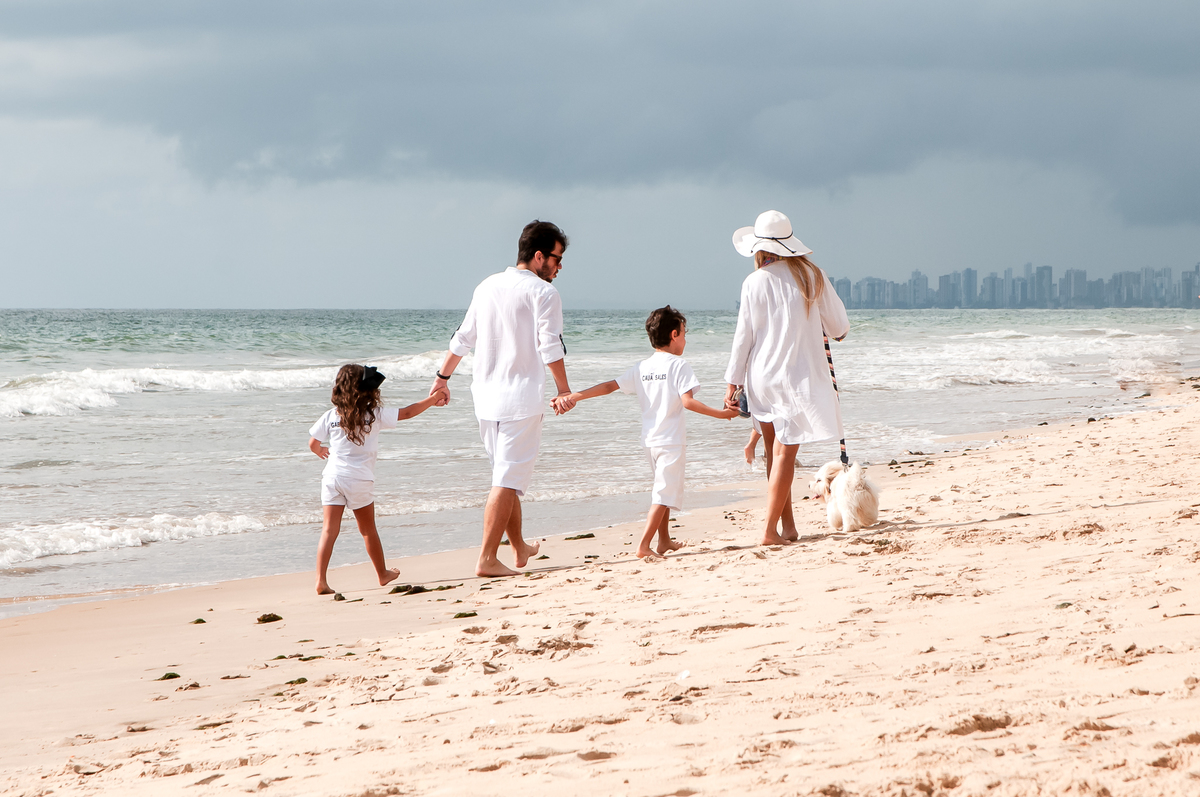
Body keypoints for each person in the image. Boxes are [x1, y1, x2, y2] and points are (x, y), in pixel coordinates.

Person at [431, 220, 574, 577]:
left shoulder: (487, 285)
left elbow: (462, 338)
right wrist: (563, 389)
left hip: (485, 399)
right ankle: (487, 559)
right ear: (539, 256)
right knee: (507, 480)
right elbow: (550, 346)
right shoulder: (544, 293)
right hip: (521, 400)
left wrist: (442, 378)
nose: (559, 267)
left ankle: (520, 547)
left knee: (505, 474)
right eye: (557, 259)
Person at [555, 306, 738, 559]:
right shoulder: (679, 365)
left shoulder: (642, 367)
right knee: (663, 494)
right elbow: (687, 402)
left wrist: (576, 396)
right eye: (684, 333)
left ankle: (664, 541)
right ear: (674, 335)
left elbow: (610, 386)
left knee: (661, 490)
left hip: (649, 441)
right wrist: (722, 414)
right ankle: (643, 545)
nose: (685, 338)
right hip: (671, 440)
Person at [723, 210, 850, 546]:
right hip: (794, 379)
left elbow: (743, 337)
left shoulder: (753, 281)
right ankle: (768, 532)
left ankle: (788, 528)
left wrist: (732, 382)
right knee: (784, 455)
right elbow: (839, 327)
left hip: (760, 377)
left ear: (761, 248)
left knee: (773, 452)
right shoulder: (813, 276)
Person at [308, 364, 447, 595]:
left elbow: (313, 444)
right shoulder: (373, 415)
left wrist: (321, 451)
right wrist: (432, 399)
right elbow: (408, 412)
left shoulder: (331, 416)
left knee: (328, 531)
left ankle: (321, 581)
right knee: (367, 530)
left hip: (332, 478)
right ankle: (382, 574)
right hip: (359, 480)